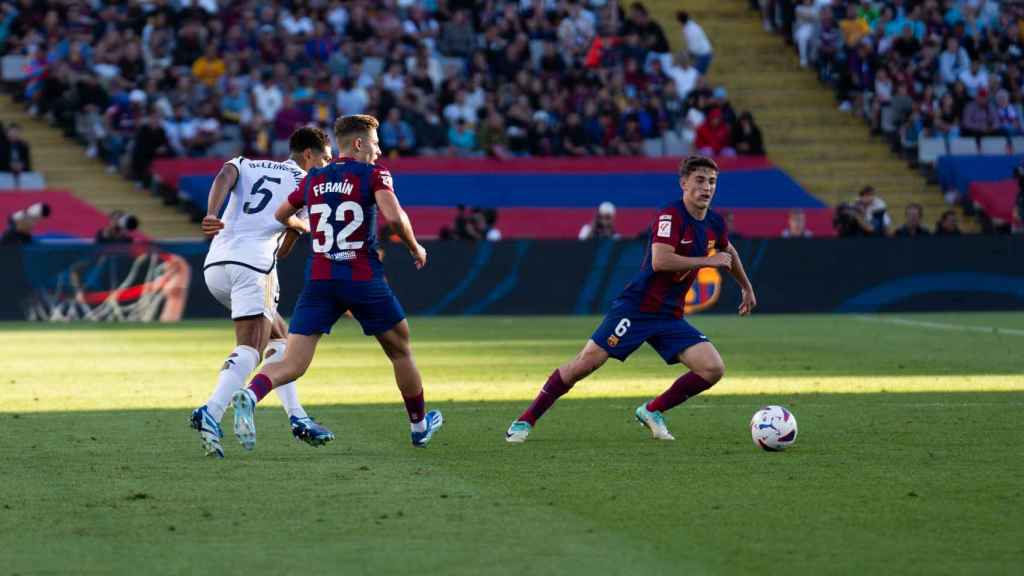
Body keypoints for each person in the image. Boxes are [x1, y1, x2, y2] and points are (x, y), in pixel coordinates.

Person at [506, 156, 756, 443]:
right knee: (585, 364)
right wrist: (707, 261)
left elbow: (729, 252)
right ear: (683, 183)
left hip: (669, 315)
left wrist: (746, 288)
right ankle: (525, 420)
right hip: (637, 309)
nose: (706, 187)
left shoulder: (714, 222)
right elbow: (661, 261)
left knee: (712, 368)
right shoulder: (670, 216)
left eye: (712, 181)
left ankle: (652, 411)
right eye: (699, 180)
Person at [231, 114, 443, 450]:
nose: (379, 150)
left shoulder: (314, 178)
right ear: (358, 144)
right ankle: (419, 427)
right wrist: (415, 246)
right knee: (401, 350)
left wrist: (307, 230)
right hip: (362, 277)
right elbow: (393, 215)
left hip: (320, 279)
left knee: (293, 363)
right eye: (375, 143)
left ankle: (251, 393)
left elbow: (280, 215)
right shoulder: (374, 174)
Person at [190, 127, 336, 459]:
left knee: (280, 338)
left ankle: (298, 417)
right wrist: (301, 226)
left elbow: (226, 172)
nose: (328, 166)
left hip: (216, 263)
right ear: (309, 155)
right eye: (326, 158)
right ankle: (211, 411)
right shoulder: (308, 185)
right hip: (254, 268)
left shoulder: (251, 165)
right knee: (251, 349)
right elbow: (283, 245)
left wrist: (212, 212)